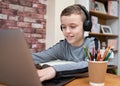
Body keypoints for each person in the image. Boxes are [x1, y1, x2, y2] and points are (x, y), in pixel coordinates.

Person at [32, 4, 99, 82]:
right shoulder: (62, 46)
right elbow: (39, 57)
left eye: (73, 26)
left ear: (85, 26)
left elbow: (90, 64)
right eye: (64, 27)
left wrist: (54, 70)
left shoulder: (92, 43)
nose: (67, 31)